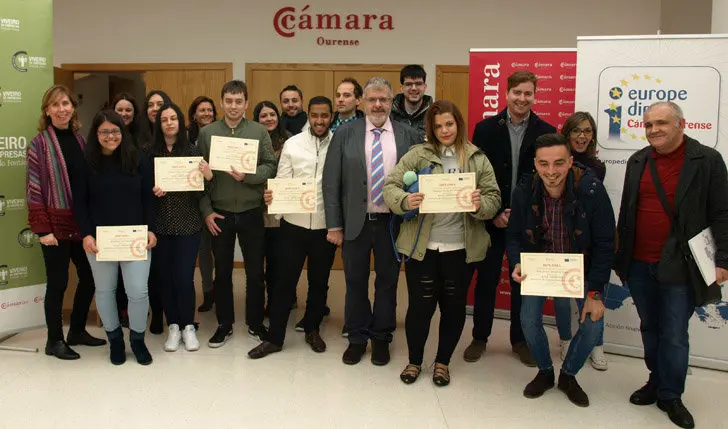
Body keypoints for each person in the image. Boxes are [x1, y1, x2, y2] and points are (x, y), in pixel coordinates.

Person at [614, 101, 728, 429]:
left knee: (675, 333)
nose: (654, 130)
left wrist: (722, 260)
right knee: (650, 327)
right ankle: (655, 380)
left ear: (681, 124)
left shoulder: (706, 160)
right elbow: (628, 211)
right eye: (648, 124)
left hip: (682, 264)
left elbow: (722, 213)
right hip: (639, 262)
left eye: (661, 123)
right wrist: (621, 259)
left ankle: (671, 394)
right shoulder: (638, 160)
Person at [383, 100, 501, 386]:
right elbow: (390, 187)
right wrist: (404, 200)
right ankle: (414, 360)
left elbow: (494, 199)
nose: (444, 130)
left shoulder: (476, 158)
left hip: (460, 249)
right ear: (431, 129)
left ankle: (442, 363)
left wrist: (478, 204)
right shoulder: (417, 155)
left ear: (458, 124)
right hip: (423, 248)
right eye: (437, 126)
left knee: (454, 308)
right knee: (419, 308)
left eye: (449, 124)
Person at [507, 133, 615, 407]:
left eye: (558, 163)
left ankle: (568, 375)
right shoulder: (524, 189)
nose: (551, 172)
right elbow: (514, 235)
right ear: (535, 163)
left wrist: (595, 291)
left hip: (583, 267)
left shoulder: (591, 189)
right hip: (541, 266)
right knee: (528, 319)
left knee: (593, 325)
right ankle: (545, 372)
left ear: (570, 162)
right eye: (544, 164)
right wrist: (517, 261)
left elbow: (605, 243)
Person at [323, 77, 420, 366]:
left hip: (393, 224)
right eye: (372, 99)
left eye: (384, 100)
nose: (378, 105)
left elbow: (417, 178)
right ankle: (356, 337)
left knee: (388, 283)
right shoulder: (345, 133)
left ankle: (381, 338)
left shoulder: (407, 135)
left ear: (393, 102)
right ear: (363, 102)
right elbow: (331, 182)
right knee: (354, 281)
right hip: (356, 223)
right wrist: (334, 225)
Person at [466, 70, 556, 366]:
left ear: (535, 95)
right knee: (487, 280)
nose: (522, 98)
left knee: (524, 282)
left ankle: (520, 340)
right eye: (517, 92)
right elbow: (477, 175)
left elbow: (549, 178)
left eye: (528, 93)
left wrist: (520, 214)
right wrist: (494, 213)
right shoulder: (485, 129)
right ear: (506, 93)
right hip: (492, 220)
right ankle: (480, 337)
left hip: (529, 221)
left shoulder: (546, 130)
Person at [248, 96, 337, 359]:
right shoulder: (293, 144)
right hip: (293, 226)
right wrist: (273, 195)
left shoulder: (339, 144)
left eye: (324, 116)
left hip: (324, 226)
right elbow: (283, 179)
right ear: (308, 115)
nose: (319, 121)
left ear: (331, 116)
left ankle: (312, 329)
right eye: (315, 115)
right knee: (283, 284)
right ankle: (275, 337)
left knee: (319, 282)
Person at [26, 85, 106, 360]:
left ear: (73, 107)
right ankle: (54, 340)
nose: (62, 109)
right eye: (56, 105)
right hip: (54, 227)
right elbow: (34, 189)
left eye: (66, 104)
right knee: (58, 283)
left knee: (89, 277)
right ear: (47, 110)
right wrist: (43, 229)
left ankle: (77, 331)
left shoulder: (80, 140)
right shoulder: (38, 144)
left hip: (80, 223)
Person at [197, 80, 278, 348]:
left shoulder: (258, 131)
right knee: (222, 273)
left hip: (251, 211)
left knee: (255, 272)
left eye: (238, 101)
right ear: (221, 102)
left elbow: (270, 166)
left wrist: (249, 176)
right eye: (228, 101)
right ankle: (224, 324)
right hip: (220, 214)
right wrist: (207, 211)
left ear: (246, 103)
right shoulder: (208, 133)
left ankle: (255, 323)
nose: (233, 106)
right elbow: (198, 177)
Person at [72, 110, 156, 366]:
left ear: (123, 132)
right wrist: (86, 234)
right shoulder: (85, 163)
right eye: (104, 131)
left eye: (115, 131)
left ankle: (138, 340)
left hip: (135, 239)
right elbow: (79, 204)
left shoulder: (137, 159)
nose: (111, 136)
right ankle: (116, 340)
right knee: (105, 290)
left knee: (138, 292)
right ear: (95, 134)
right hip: (100, 241)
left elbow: (148, 198)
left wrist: (151, 229)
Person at [150, 103, 208, 352]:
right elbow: (140, 189)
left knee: (184, 278)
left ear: (180, 121)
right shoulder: (148, 153)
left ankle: (188, 326)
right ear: (159, 124)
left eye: (174, 118)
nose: (169, 123)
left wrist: (207, 177)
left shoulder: (192, 151)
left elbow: (203, 193)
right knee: (165, 278)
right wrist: (152, 191)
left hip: (188, 225)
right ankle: (172, 325)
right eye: (164, 120)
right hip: (160, 226)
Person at [553, 111, 608, 370]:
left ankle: (596, 344)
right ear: (567, 134)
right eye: (576, 130)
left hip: (587, 242)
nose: (582, 136)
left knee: (592, 294)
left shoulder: (597, 167)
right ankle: (565, 339)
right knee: (562, 297)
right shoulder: (557, 161)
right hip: (560, 239)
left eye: (587, 131)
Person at [136, 89, 171, 334]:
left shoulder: (175, 134)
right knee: (151, 267)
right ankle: (156, 313)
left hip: (171, 210)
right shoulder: (135, 138)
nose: (155, 108)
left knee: (168, 267)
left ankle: (172, 313)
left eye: (160, 104)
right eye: (151, 104)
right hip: (143, 209)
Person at [252, 101, 291, 315]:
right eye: (263, 116)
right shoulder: (251, 141)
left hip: (282, 208)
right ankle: (266, 302)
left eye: (272, 114)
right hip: (257, 208)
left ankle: (280, 301)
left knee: (280, 259)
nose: (269, 119)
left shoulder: (290, 141)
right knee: (261, 258)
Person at [112, 92, 142, 327]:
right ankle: (120, 312)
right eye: (119, 109)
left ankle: (138, 312)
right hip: (112, 215)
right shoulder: (106, 139)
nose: (124, 114)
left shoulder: (143, 138)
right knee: (115, 273)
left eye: (128, 109)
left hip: (137, 212)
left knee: (137, 271)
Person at [187, 95, 218, 313]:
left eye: (210, 110)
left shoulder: (223, 135)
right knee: (203, 251)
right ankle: (208, 292)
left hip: (217, 199)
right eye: (202, 110)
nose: (206, 114)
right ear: (194, 114)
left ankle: (219, 291)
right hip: (193, 203)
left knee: (219, 251)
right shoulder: (186, 138)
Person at [389, 64, 432, 142]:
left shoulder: (434, 114)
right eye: (408, 84)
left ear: (425, 87)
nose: (414, 88)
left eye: (418, 84)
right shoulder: (389, 114)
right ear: (401, 88)